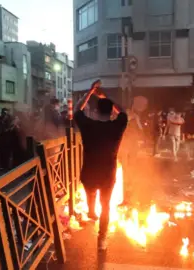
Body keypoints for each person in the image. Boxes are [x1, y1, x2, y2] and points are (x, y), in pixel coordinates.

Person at [73, 80, 128, 251]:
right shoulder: (117, 126)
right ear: (112, 112)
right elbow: (124, 111)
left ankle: (90, 210)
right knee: (106, 205)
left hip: (89, 172)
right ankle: (102, 239)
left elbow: (77, 109)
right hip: (107, 174)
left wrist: (90, 91)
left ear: (95, 111)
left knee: (90, 192)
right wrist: (106, 96)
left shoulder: (88, 125)